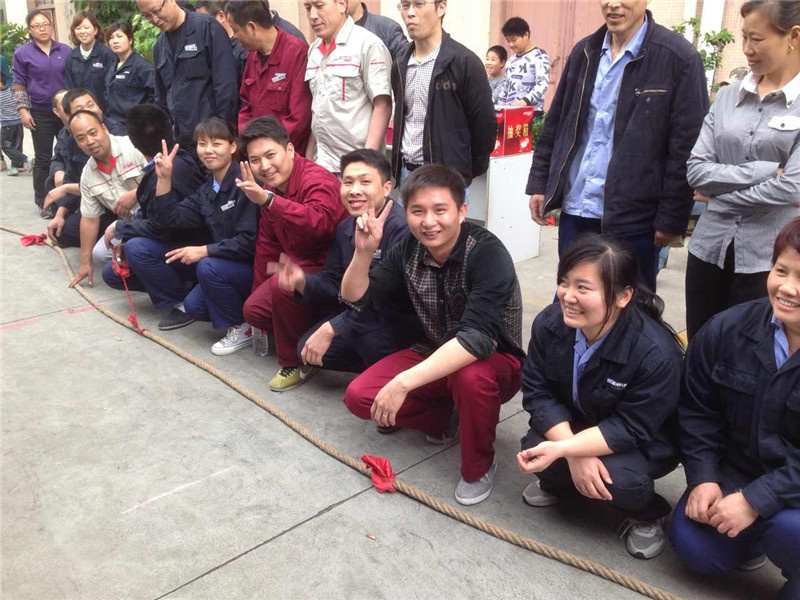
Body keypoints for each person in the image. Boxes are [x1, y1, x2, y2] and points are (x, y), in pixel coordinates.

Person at [341, 164, 524, 506]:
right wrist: (363, 253)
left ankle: (479, 466)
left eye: (440, 210)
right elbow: (356, 297)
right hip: (434, 349)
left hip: (493, 361)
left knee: (469, 378)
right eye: (417, 211)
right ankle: (449, 417)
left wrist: (402, 383)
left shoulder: (487, 253)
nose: (429, 222)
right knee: (360, 396)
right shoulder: (408, 249)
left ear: (462, 211)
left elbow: (477, 340)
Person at [517, 234, 682, 559]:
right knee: (534, 447)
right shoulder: (550, 323)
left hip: (641, 442)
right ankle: (561, 481)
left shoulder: (655, 354)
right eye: (564, 283)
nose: (568, 296)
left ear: (623, 295)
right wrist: (574, 452)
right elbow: (537, 391)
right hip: (581, 424)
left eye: (583, 288)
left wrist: (563, 450)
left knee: (618, 479)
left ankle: (646, 513)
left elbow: (632, 427)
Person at [526, 0, 708, 293]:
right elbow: (557, 122)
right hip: (578, 208)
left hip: (635, 217)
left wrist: (672, 217)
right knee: (573, 298)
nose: (613, 4)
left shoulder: (678, 57)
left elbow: (686, 146)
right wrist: (540, 183)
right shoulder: (584, 52)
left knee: (631, 304)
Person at [669, 217, 800, 600]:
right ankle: (755, 536)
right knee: (695, 546)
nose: (787, 288)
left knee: (790, 531)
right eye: (781, 271)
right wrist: (704, 477)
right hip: (736, 472)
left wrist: (757, 500)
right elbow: (696, 410)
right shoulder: (727, 329)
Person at [685, 0, 800, 339]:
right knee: (702, 343)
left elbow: (791, 187)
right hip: (708, 249)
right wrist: (764, 170)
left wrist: (718, 199)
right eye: (744, 37)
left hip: (767, 261)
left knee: (750, 353)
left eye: (757, 39)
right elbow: (697, 171)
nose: (747, 49)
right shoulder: (727, 98)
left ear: (793, 36)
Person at [106, 118, 258, 354]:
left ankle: (243, 326)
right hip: (221, 263)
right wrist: (164, 180)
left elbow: (249, 242)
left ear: (232, 146)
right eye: (202, 144)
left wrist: (204, 251)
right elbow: (167, 220)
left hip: (249, 267)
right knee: (193, 306)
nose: (208, 150)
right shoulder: (208, 188)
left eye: (216, 143)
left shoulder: (245, 182)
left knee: (206, 267)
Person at [279, 149, 420, 376]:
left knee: (368, 338)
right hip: (361, 313)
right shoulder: (347, 226)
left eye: (365, 182)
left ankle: (398, 374)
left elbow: (393, 302)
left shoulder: (403, 229)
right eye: (348, 182)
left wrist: (334, 327)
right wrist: (303, 282)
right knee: (307, 350)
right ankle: (374, 370)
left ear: (386, 188)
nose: (354, 190)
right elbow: (333, 280)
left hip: (398, 320)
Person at [238, 116, 346, 391]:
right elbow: (267, 246)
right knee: (254, 310)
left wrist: (270, 201)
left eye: (270, 155)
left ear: (289, 149)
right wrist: (259, 291)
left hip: (333, 268)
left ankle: (294, 362)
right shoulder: (269, 190)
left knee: (283, 286)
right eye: (255, 160)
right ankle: (308, 331)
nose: (264, 166)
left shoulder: (315, 179)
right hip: (300, 265)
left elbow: (319, 223)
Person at [391, 0, 496, 190]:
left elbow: (484, 126)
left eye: (419, 4)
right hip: (408, 175)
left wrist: (462, 173)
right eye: (405, 6)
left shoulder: (465, 62)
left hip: (448, 180)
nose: (410, 13)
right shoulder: (400, 63)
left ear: (441, 7)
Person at [101, 104, 206, 258]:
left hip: (186, 246)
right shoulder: (182, 157)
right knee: (111, 262)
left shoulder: (164, 173)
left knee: (132, 249)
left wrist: (120, 227)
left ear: (134, 143)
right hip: (173, 234)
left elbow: (160, 226)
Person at [137, 0, 238, 157]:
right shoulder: (160, 48)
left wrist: (220, 134)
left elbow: (226, 87)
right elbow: (161, 100)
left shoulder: (207, 28)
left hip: (213, 141)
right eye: (147, 16)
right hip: (182, 145)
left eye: (156, 11)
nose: (154, 20)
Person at [303, 0, 392, 174]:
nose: (313, 15)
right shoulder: (313, 50)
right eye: (308, 8)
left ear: (342, 4)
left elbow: (383, 105)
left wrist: (366, 162)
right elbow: (318, 109)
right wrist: (309, 159)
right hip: (321, 165)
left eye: (319, 6)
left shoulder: (368, 45)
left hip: (356, 168)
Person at [67, 110, 147, 288]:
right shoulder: (88, 175)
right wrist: (85, 263)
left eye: (93, 133)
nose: (90, 141)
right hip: (129, 225)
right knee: (100, 255)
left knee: (137, 249)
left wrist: (137, 193)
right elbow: (89, 219)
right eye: (81, 138)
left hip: (156, 217)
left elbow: (164, 176)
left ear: (104, 128)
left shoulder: (133, 146)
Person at [226, 0, 312, 154]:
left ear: (251, 27)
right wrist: (249, 142)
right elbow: (246, 107)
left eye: (235, 30)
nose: (235, 36)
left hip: (287, 155)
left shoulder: (297, 54)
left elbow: (299, 119)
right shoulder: (252, 56)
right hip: (257, 155)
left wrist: (269, 149)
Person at [46, 88, 127, 240]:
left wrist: (67, 188)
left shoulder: (120, 135)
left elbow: (111, 185)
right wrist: (59, 214)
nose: (88, 111)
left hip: (120, 202)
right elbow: (71, 175)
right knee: (60, 232)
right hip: (92, 198)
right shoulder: (73, 138)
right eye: (80, 110)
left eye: (91, 105)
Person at [12, 9, 71, 212]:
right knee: (43, 158)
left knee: (68, 154)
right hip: (40, 112)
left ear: (51, 26)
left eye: (45, 24)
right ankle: (43, 201)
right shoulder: (22, 53)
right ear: (30, 30)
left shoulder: (65, 50)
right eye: (36, 26)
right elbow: (19, 83)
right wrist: (23, 110)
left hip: (65, 111)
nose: (42, 29)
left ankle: (69, 200)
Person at [104, 22, 155, 134]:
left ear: (130, 40)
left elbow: (156, 94)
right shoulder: (113, 65)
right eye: (111, 38)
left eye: (119, 36)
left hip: (134, 127)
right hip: (113, 124)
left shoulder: (142, 66)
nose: (115, 41)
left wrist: (143, 118)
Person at [64, 11, 116, 112]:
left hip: (103, 111)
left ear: (95, 30)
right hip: (80, 111)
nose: (82, 31)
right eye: (78, 28)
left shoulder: (107, 54)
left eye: (86, 27)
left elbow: (112, 88)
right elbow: (69, 88)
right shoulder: (71, 57)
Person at [495, 17, 550, 112]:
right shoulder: (511, 61)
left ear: (526, 35)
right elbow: (505, 88)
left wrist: (525, 100)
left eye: (514, 40)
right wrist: (499, 108)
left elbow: (542, 84)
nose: (511, 44)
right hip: (510, 113)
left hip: (530, 114)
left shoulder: (539, 56)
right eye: (508, 41)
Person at [195, 0, 248, 89]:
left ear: (221, 16)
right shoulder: (207, 48)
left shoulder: (243, 49)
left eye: (203, 21)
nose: (200, 26)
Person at [0, 72, 29, 177]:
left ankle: (26, 160)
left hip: (7, 124)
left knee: (5, 146)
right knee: (17, 145)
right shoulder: (11, 91)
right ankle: (15, 167)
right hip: (18, 123)